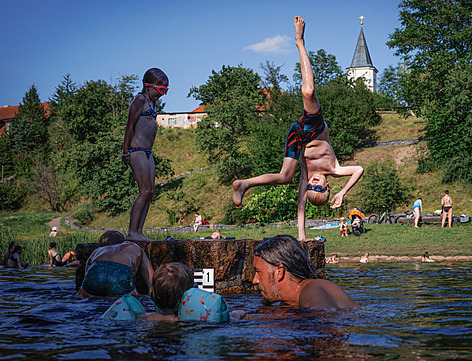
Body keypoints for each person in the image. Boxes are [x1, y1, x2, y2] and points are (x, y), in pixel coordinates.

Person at [231, 16, 364, 242]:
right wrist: (343, 193)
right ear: (327, 186)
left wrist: (301, 237)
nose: (313, 181)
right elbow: (359, 169)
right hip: (314, 128)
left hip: (296, 136)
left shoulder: (305, 176)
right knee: (308, 93)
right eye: (318, 185)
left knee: (285, 177)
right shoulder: (336, 169)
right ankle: (299, 42)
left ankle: (245, 183)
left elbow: (301, 208)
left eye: (311, 185)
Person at [122, 68, 169, 241]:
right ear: (147, 86)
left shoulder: (153, 103)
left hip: (147, 152)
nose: (162, 94)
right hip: (136, 150)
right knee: (144, 190)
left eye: (166, 90)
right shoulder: (140, 100)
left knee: (150, 192)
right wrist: (125, 151)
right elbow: (129, 127)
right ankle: (132, 232)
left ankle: (139, 232)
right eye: (160, 90)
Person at [102, 262, 240, 322]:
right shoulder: (195, 318)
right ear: (189, 296)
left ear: (152, 294)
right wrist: (237, 313)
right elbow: (233, 318)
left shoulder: (146, 318)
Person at [252, 234, 358, 309]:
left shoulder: (312, 291)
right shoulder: (294, 300)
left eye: (259, 272)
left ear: (279, 271)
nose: (254, 280)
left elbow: (324, 333)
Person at [78, 230, 154, 298]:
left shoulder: (98, 250)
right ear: (123, 241)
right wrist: (152, 291)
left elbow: (87, 275)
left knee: (84, 298)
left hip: (97, 269)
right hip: (120, 272)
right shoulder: (133, 246)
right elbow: (150, 278)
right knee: (132, 301)